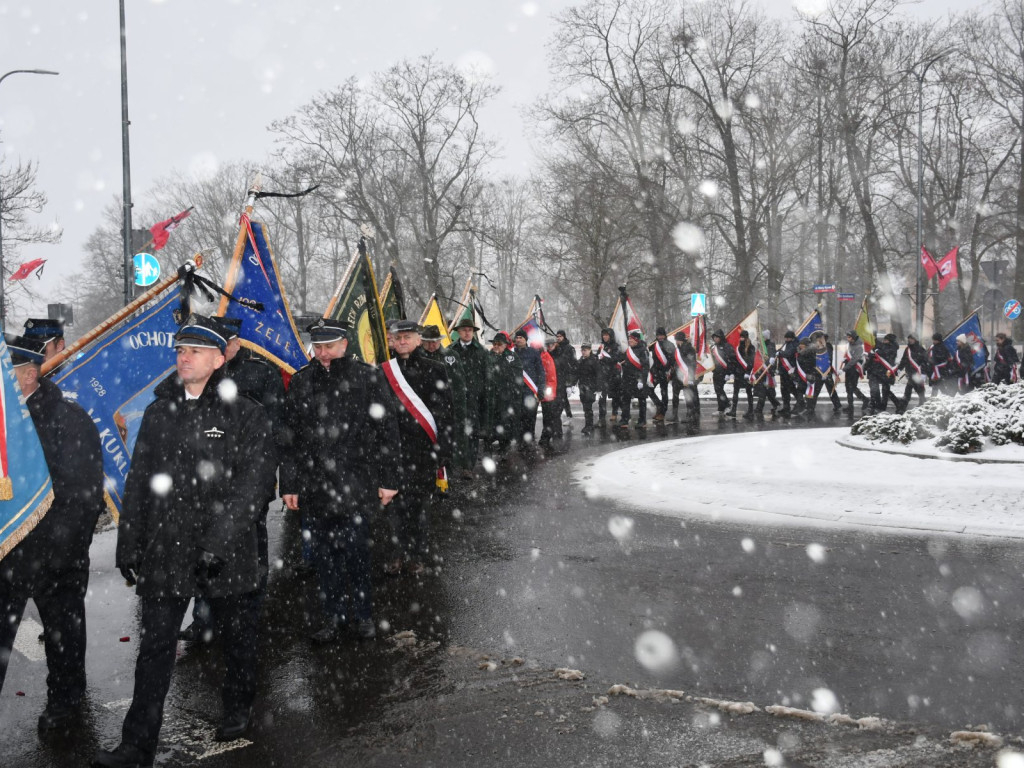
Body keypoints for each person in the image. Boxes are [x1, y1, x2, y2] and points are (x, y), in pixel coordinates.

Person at [95, 316, 276, 767]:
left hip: (226, 549)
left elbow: (254, 487)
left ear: (218, 359)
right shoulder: (160, 411)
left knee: (237, 637)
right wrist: (129, 543)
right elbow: (140, 481)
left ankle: (237, 708)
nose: (184, 357)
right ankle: (137, 746)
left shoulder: (246, 413)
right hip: (167, 548)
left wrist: (216, 541)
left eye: (195, 351)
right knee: (155, 648)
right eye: (180, 350)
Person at [0, 334, 103, 735]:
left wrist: (60, 551)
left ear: (29, 375)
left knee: (63, 634)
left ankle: (65, 703)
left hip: (55, 557)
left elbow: (83, 494)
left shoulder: (67, 418)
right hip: (7, 553)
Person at [277, 318, 400, 644]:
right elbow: (289, 438)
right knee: (325, 557)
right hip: (316, 486)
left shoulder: (367, 379)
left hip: (358, 482)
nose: (323, 353)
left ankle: (362, 616)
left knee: (358, 554)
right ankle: (332, 618)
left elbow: (387, 430)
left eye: (329, 346)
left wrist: (389, 479)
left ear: (345, 344)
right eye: (318, 347)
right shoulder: (302, 382)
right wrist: (288, 482)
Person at [180, 316, 284, 643]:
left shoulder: (261, 373)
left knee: (251, 549)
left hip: (250, 479)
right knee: (207, 544)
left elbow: (276, 425)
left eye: (224, 342)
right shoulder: (201, 376)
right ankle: (204, 619)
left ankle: (249, 612)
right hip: (209, 482)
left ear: (237, 343)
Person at [381, 320, 453, 574]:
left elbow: (444, 412)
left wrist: (443, 449)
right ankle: (396, 554)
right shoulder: (383, 371)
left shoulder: (436, 369)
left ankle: (417, 556)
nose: (402, 342)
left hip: (423, 450)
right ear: (390, 340)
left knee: (419, 507)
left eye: (407, 337)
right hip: (392, 450)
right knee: (393, 507)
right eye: (397, 338)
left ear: (418, 340)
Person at [421, 325, 470, 461]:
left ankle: (448, 467)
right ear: (422, 341)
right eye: (428, 342)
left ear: (439, 341)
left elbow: (459, 384)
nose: (431, 345)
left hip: (445, 406)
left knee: (447, 440)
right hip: (424, 407)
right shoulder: (417, 356)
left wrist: (458, 407)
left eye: (434, 342)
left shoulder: (451, 356)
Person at [450, 318, 489, 475]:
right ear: (458, 332)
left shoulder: (481, 351)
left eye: (470, 330)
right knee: (456, 431)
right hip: (454, 399)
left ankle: (468, 465)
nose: (467, 332)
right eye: (464, 330)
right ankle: (456, 462)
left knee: (472, 433)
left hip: (474, 399)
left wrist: (484, 398)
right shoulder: (450, 351)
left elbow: (487, 378)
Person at [483, 331, 519, 451]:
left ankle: (504, 447)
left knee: (505, 423)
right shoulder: (488, 356)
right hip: (491, 396)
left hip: (506, 397)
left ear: (505, 345)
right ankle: (488, 448)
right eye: (495, 344)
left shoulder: (512, 357)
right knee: (490, 423)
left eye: (499, 344)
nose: (496, 346)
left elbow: (517, 376)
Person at [513, 329, 545, 445]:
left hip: (530, 390)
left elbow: (540, 371)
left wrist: (541, 389)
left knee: (530, 417)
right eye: (517, 337)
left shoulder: (533, 352)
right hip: (517, 391)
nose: (518, 339)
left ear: (526, 339)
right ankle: (520, 440)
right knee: (518, 417)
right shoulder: (512, 353)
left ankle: (529, 440)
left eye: (521, 337)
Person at [619, 329, 649, 428]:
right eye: (629, 340)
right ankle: (625, 419)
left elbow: (645, 366)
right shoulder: (628, 350)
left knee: (641, 400)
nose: (629, 342)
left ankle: (642, 420)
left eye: (631, 340)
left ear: (636, 340)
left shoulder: (643, 350)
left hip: (637, 380)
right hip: (627, 379)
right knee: (626, 399)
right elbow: (623, 360)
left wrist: (641, 380)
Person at [670, 330, 699, 425]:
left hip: (686, 375)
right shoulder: (678, 349)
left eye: (677, 340)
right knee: (675, 396)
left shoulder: (689, 349)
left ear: (680, 340)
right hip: (677, 376)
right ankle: (674, 415)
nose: (676, 342)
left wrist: (689, 375)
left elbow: (691, 363)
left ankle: (690, 415)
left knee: (688, 396)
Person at [866, 332, 900, 412]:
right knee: (884, 390)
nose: (884, 341)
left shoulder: (893, 348)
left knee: (886, 390)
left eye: (886, 340)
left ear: (890, 341)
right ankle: (883, 405)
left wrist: (877, 351)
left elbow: (885, 354)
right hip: (881, 371)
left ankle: (889, 405)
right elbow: (878, 352)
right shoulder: (884, 346)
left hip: (888, 371)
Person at [896, 333, 930, 413]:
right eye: (909, 339)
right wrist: (899, 369)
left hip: (918, 373)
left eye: (911, 339)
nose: (910, 340)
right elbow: (904, 360)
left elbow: (925, 362)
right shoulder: (907, 349)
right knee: (908, 391)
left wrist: (923, 373)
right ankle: (902, 408)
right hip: (910, 373)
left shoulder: (921, 349)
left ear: (916, 340)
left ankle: (923, 405)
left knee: (919, 390)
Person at [539, 337, 563, 446]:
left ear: (555, 344)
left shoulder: (561, 355)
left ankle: (557, 433)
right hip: (549, 387)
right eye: (547, 345)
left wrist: (568, 384)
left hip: (559, 387)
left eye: (551, 344)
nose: (549, 347)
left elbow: (566, 370)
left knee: (556, 412)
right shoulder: (544, 356)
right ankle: (548, 434)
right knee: (548, 413)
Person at [648, 327, 675, 422]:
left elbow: (672, 359)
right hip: (655, 372)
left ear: (665, 335)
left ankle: (662, 412)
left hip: (664, 372)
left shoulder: (670, 345)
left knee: (664, 392)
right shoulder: (655, 345)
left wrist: (668, 369)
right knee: (649, 389)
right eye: (658, 335)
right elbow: (647, 348)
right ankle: (659, 405)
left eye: (661, 335)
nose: (660, 337)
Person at [595, 328, 621, 425]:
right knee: (602, 397)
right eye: (603, 335)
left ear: (611, 336)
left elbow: (615, 359)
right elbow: (597, 356)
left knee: (615, 395)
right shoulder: (602, 346)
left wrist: (604, 358)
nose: (604, 337)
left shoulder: (616, 346)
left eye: (606, 335)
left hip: (613, 374)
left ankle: (614, 412)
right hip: (603, 375)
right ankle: (602, 416)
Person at [841, 330, 870, 415]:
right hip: (849, 369)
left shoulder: (859, 347)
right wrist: (845, 360)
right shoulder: (850, 345)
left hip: (855, 370)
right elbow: (850, 357)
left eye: (849, 337)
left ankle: (865, 399)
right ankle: (850, 406)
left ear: (853, 337)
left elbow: (854, 359)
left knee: (852, 387)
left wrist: (844, 369)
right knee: (847, 387)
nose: (847, 339)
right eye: (847, 337)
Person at [709, 328, 736, 416]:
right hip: (716, 372)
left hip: (724, 372)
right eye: (714, 337)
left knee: (719, 389)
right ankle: (721, 408)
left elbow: (731, 360)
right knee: (717, 390)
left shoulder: (727, 346)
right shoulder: (713, 347)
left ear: (721, 337)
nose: (715, 339)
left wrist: (729, 372)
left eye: (717, 337)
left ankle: (727, 404)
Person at [753, 329, 780, 418]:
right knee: (765, 391)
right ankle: (775, 404)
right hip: (761, 371)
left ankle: (760, 408)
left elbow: (772, 354)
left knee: (766, 391)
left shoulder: (770, 345)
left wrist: (772, 359)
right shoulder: (760, 346)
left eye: (762, 337)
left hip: (767, 371)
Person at [777, 330, 803, 417]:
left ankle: (801, 403)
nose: (786, 339)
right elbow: (781, 351)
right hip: (783, 371)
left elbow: (789, 353)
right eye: (785, 338)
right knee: (784, 390)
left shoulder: (795, 344)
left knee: (791, 389)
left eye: (787, 338)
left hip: (790, 371)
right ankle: (786, 406)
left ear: (791, 338)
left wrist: (780, 353)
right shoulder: (786, 344)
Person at [576, 342, 600, 435]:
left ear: (590, 350)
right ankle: (589, 424)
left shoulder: (594, 360)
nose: (583, 352)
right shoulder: (581, 360)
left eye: (585, 350)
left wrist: (598, 387)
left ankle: (589, 425)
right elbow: (577, 372)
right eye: (582, 350)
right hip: (582, 386)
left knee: (588, 406)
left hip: (590, 387)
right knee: (585, 406)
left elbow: (598, 374)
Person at [732, 329, 756, 419]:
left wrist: (748, 372)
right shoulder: (738, 348)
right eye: (741, 337)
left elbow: (751, 360)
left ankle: (750, 411)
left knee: (749, 392)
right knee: (735, 392)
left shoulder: (751, 347)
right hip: (738, 373)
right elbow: (736, 361)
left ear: (746, 337)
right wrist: (733, 371)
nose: (741, 338)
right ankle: (733, 410)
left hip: (746, 374)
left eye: (743, 337)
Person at [554, 329, 577, 423]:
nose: (558, 338)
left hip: (565, 376)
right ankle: (564, 415)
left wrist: (571, 382)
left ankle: (568, 415)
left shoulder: (569, 348)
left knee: (563, 398)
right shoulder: (556, 347)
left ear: (564, 337)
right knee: (560, 398)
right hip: (557, 375)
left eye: (560, 336)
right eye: (557, 336)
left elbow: (573, 364)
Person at [928, 332, 956, 396]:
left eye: (935, 340)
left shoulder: (942, 348)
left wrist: (934, 361)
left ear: (938, 340)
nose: (933, 341)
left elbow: (945, 358)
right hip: (936, 370)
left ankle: (945, 397)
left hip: (941, 370)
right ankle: (934, 398)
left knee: (941, 386)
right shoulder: (933, 347)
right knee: (937, 385)